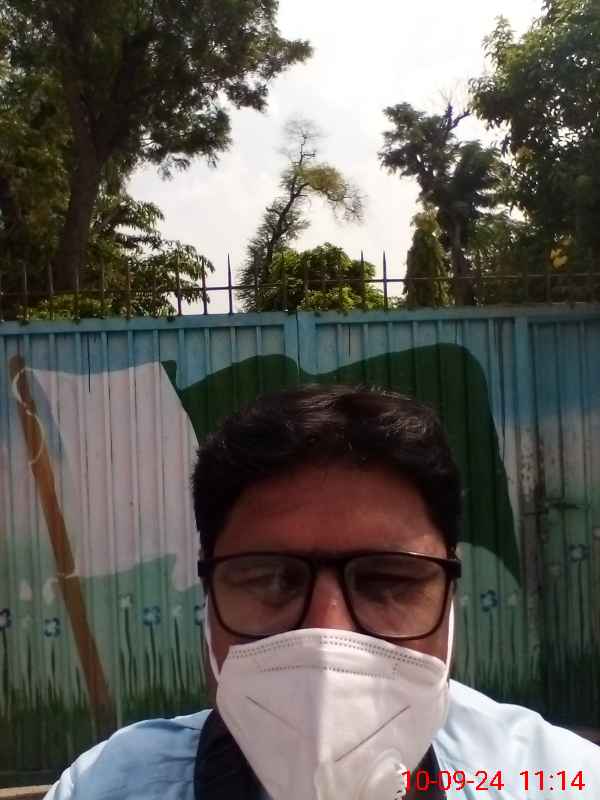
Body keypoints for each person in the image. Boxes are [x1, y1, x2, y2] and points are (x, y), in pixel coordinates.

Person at [46, 385, 599, 799]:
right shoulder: (105, 788)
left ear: (449, 598)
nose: (327, 636)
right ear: (207, 600)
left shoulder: (555, 780)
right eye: (271, 579)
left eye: (388, 581)